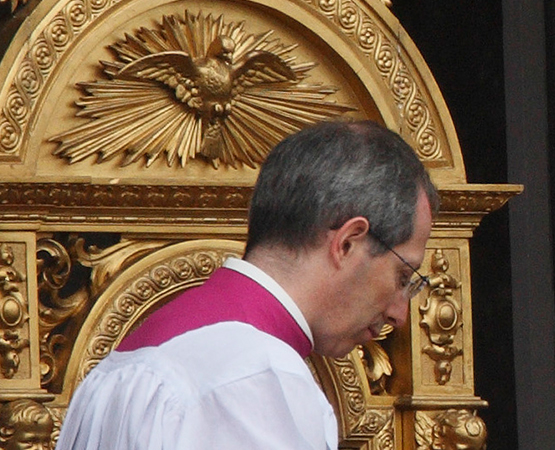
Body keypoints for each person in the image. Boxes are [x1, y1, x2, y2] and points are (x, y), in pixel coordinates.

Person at [56, 121, 439, 450]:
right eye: (403, 276)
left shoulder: (117, 366)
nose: (399, 314)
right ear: (348, 243)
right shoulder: (260, 379)